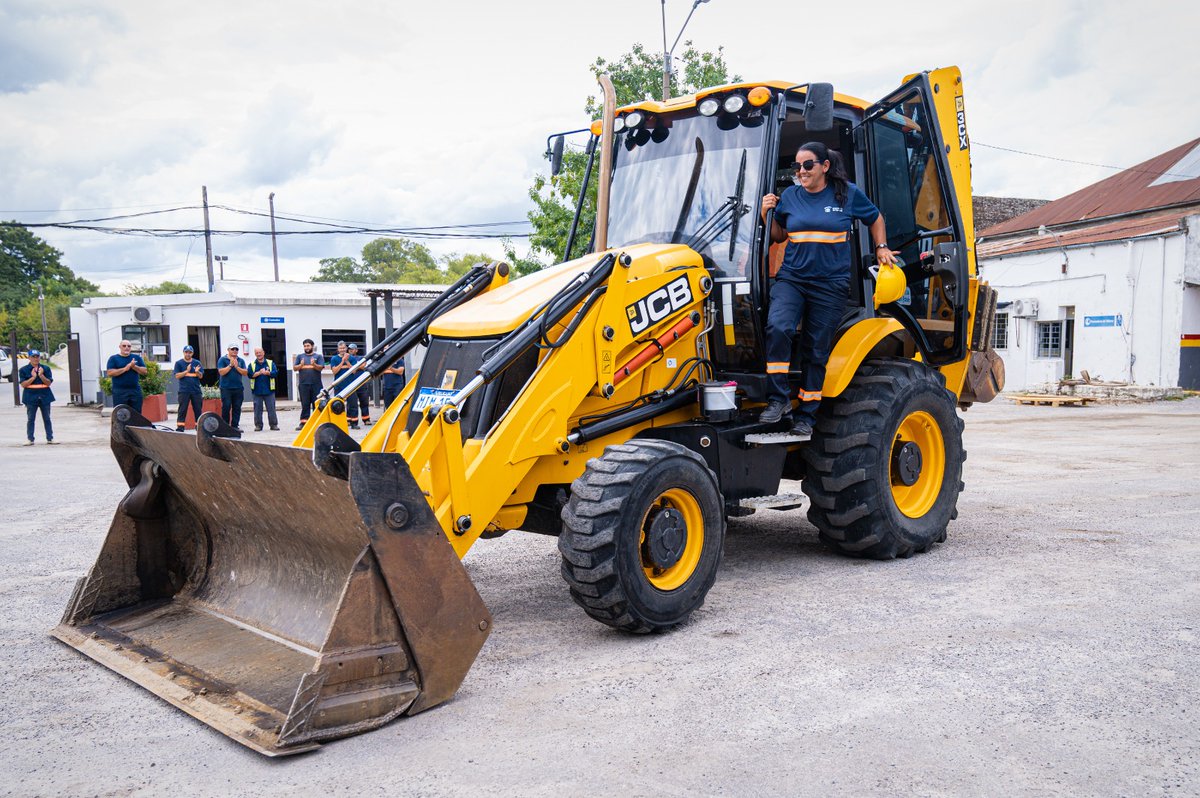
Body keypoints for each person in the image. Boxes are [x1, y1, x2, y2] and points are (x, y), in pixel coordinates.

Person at [759, 142, 898, 437]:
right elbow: (779, 235)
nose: (801, 171)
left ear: (824, 166)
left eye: (807, 165)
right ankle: (778, 399)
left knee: (816, 349)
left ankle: (806, 417)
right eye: (797, 166)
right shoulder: (790, 196)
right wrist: (765, 214)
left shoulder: (846, 193)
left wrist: (881, 247)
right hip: (793, 279)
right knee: (778, 327)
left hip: (830, 285)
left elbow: (875, 218)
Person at [19, 349, 56, 445]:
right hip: (30, 397)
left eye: (37, 356)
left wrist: (41, 375)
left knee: (47, 418)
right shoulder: (23, 370)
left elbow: (48, 383)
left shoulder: (45, 368)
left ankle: (50, 438)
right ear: (29, 358)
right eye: (33, 357)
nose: (35, 359)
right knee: (31, 419)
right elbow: (23, 384)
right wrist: (33, 377)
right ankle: (30, 439)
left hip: (45, 396)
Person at [106, 340, 147, 413]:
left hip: (135, 390)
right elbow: (110, 373)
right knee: (121, 414)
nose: (126, 348)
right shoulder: (113, 358)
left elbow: (144, 371)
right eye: (124, 346)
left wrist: (134, 367)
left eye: (129, 346)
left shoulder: (137, 358)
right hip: (119, 391)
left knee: (136, 413)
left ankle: (135, 421)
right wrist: (125, 369)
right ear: (120, 347)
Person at [293, 339, 324, 430]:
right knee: (305, 404)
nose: (306, 348)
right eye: (305, 346)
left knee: (316, 404)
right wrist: (301, 365)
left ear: (312, 346)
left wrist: (314, 364)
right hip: (303, 385)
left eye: (308, 346)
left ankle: (317, 423)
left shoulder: (318, 356)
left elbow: (320, 368)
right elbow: (295, 368)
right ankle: (304, 423)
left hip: (316, 385)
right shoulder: (300, 357)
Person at [329, 340, 360, 428]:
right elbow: (334, 371)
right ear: (338, 349)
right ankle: (340, 423)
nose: (342, 350)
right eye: (340, 348)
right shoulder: (334, 359)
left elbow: (354, 371)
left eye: (343, 348)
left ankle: (353, 423)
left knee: (353, 404)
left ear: (346, 348)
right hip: (339, 385)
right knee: (338, 404)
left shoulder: (352, 358)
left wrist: (347, 361)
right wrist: (342, 361)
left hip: (350, 385)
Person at [173, 345, 205, 431]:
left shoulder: (197, 363)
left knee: (198, 410)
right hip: (184, 391)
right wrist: (186, 371)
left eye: (190, 352)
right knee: (182, 410)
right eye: (186, 352)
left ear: (192, 353)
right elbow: (177, 376)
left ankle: (198, 427)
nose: (188, 354)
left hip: (196, 391)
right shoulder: (179, 363)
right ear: (183, 352)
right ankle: (180, 427)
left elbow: (201, 376)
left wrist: (197, 372)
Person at [216, 345, 248, 430]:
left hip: (238, 388)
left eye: (236, 349)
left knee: (237, 407)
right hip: (226, 388)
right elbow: (221, 372)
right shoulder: (222, 360)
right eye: (232, 349)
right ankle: (225, 426)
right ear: (228, 350)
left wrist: (237, 367)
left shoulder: (241, 360)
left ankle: (235, 426)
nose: (234, 350)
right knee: (226, 407)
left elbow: (245, 373)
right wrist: (230, 365)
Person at [248, 347, 279, 431]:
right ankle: (258, 425)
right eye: (257, 353)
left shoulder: (270, 363)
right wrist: (258, 373)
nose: (259, 354)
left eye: (260, 352)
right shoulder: (252, 364)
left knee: (271, 409)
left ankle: (273, 425)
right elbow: (250, 375)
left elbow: (275, 373)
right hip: (257, 391)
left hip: (269, 390)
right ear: (255, 354)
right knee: (257, 410)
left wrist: (268, 373)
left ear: (263, 353)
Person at [349, 342, 372, 425]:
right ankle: (350, 419)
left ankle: (366, 419)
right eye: (349, 349)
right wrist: (356, 366)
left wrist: (353, 366)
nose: (351, 350)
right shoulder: (347, 358)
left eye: (352, 349)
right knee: (351, 403)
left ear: (356, 350)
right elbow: (350, 368)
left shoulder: (361, 358)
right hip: (351, 383)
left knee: (364, 401)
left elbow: (363, 366)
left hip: (362, 383)